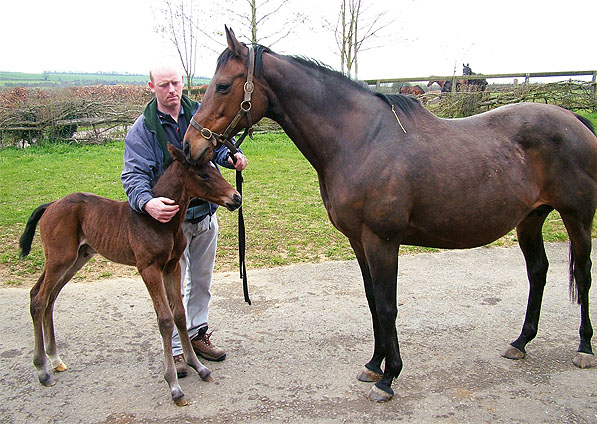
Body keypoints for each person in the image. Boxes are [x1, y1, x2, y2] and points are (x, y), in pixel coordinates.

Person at [121, 65, 247, 378]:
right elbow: (133, 174)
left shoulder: (199, 116)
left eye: (175, 83)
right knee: (172, 287)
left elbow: (211, 150)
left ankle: (197, 335)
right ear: (152, 86)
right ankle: (176, 351)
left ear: (181, 84)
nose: (171, 90)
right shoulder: (143, 129)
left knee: (201, 281)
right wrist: (146, 202)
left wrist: (231, 157)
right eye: (163, 85)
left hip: (203, 214)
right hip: (166, 225)